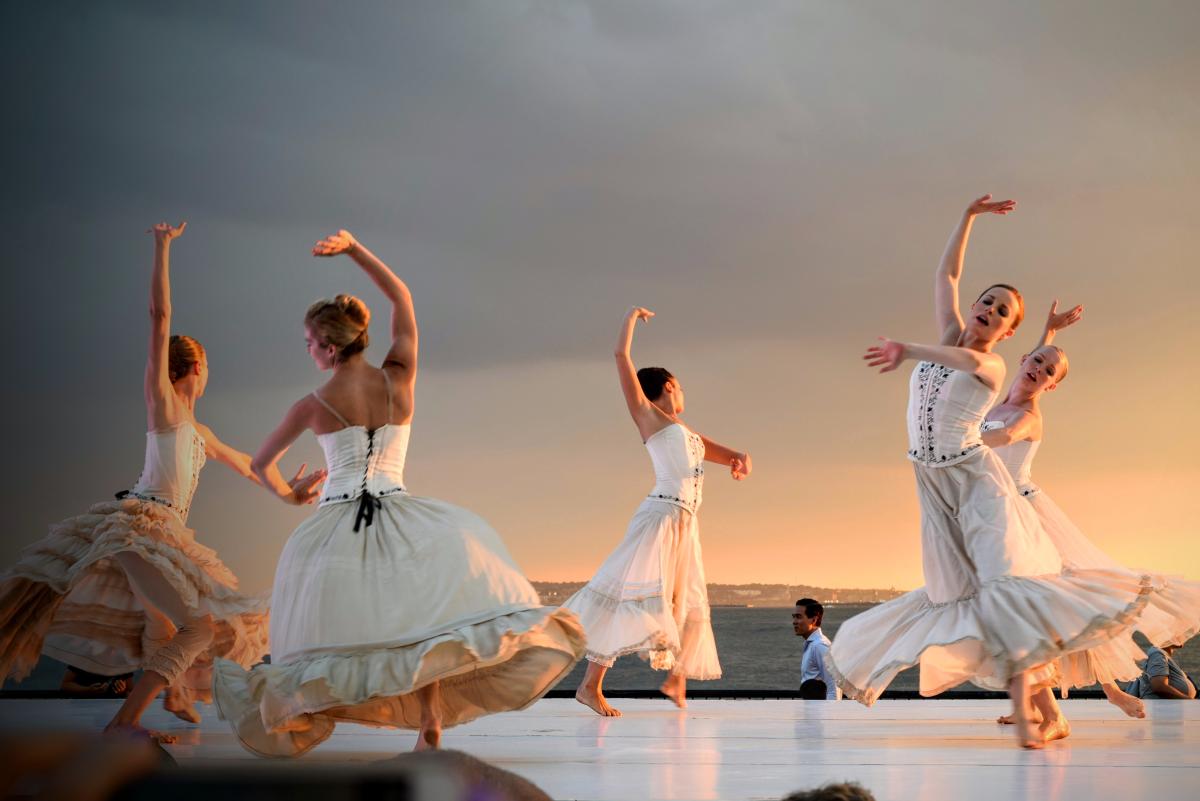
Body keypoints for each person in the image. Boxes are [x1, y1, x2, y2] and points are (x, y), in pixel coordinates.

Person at [212, 229, 586, 756]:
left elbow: (259, 464)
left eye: (309, 343)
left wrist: (292, 495)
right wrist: (354, 248)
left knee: (346, 632)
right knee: (422, 627)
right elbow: (402, 297)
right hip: (404, 512)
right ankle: (428, 718)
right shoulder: (400, 377)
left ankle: (308, 714)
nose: (308, 351)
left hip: (338, 522)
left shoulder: (312, 403)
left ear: (330, 345)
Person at [827, 195, 1160, 749]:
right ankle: (1047, 712)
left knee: (1003, 594)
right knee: (961, 597)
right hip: (932, 488)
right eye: (988, 300)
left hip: (978, 483)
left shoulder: (991, 362)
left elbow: (969, 365)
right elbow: (946, 274)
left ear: (1009, 333)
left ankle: (1036, 719)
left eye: (1003, 311)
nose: (990, 310)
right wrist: (967, 217)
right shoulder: (957, 337)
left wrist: (907, 349)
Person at [0, 222, 302, 741]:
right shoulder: (163, 406)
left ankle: (168, 697)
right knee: (197, 628)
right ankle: (126, 723)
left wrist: (293, 492)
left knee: (162, 630)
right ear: (197, 368)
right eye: (208, 366)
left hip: (157, 531)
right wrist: (163, 247)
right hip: (140, 526)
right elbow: (159, 317)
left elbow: (252, 466)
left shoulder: (199, 430)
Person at [984, 302, 1200, 728]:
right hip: (997, 516)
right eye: (1037, 362)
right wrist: (1049, 332)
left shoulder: (1027, 417)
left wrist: (953, 439)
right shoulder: (1012, 386)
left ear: (1051, 388)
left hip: (1028, 519)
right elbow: (1037, 360)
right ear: (1024, 358)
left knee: (1065, 608)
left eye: (1049, 374)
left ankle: (1112, 691)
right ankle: (1032, 701)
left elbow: (999, 438)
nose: (1039, 370)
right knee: (1025, 612)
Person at [563, 307, 752, 716]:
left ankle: (674, 679)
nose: (684, 393)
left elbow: (709, 448)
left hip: (685, 522)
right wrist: (631, 319)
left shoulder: (682, 431)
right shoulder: (648, 417)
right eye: (680, 387)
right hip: (661, 517)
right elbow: (621, 358)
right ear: (668, 386)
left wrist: (738, 456)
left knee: (683, 597)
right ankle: (589, 686)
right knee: (625, 596)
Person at [793, 599, 839, 699]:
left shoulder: (820, 646)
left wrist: (830, 714)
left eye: (799, 617)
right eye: (794, 617)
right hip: (813, 711)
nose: (794, 622)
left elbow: (834, 688)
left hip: (820, 713)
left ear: (813, 620)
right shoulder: (812, 645)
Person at [1123, 644, 1197, 699]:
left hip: (1167, 710)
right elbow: (1159, 686)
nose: (1183, 636)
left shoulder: (1161, 654)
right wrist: (1188, 701)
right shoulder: (1157, 654)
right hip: (1161, 711)